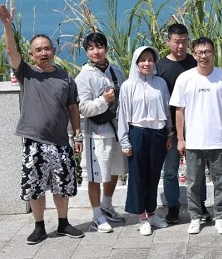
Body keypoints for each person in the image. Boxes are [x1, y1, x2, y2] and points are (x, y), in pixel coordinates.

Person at [0, 4, 84, 245]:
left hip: (61, 142)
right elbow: (11, 50)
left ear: (53, 50)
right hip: (33, 142)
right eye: (38, 50)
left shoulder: (65, 77)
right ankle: (39, 227)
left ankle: (64, 224)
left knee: (62, 186)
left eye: (47, 48)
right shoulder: (26, 73)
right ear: (32, 54)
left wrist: (77, 135)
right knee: (34, 187)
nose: (43, 53)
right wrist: (7, 26)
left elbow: (73, 108)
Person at [170, 37, 222, 235]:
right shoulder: (185, 78)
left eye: (207, 52)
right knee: (193, 182)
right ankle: (195, 217)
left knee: (220, 182)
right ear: (194, 55)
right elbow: (179, 111)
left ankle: (220, 217)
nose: (203, 56)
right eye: (200, 52)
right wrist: (181, 139)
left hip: (217, 140)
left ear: (213, 53)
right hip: (194, 141)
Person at [155, 23, 210, 225]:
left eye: (184, 41)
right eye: (176, 42)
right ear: (168, 42)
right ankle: (173, 206)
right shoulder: (160, 66)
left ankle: (200, 204)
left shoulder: (195, 62)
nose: (180, 46)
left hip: (195, 124)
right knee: (170, 170)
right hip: (170, 127)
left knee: (198, 169)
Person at [117, 46, 172, 236]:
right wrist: (125, 141)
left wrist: (169, 134)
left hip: (158, 134)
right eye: (142, 60)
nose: (146, 63)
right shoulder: (128, 85)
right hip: (137, 133)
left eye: (150, 59)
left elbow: (167, 110)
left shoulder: (160, 83)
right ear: (136, 62)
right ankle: (141, 218)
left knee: (154, 175)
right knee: (137, 176)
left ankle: (151, 213)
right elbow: (123, 115)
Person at [75, 32, 127, 233]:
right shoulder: (84, 77)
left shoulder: (117, 71)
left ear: (106, 48)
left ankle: (106, 205)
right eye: (91, 48)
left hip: (116, 130)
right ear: (86, 52)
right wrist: (104, 100)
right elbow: (83, 108)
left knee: (114, 170)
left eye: (99, 47)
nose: (95, 52)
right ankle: (97, 216)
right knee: (95, 175)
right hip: (96, 133)